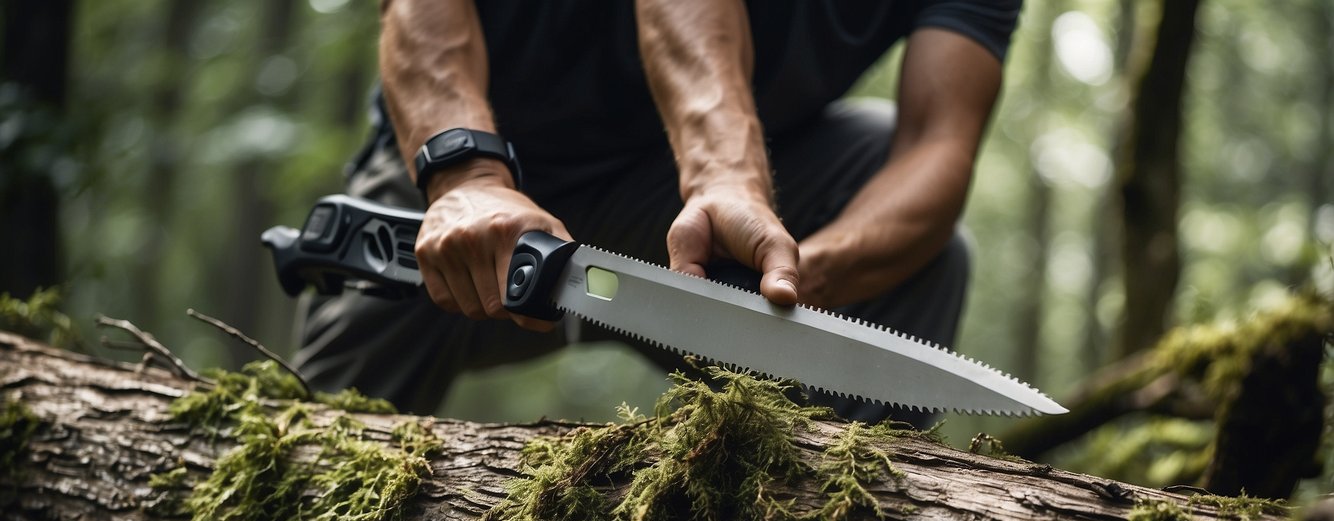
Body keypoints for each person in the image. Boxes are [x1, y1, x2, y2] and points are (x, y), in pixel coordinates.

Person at [293, 0, 1022, 425]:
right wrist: (465, 175)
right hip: (483, 178)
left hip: (685, 209)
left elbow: (937, 144)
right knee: (318, 463)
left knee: (924, 252)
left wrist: (805, 281)